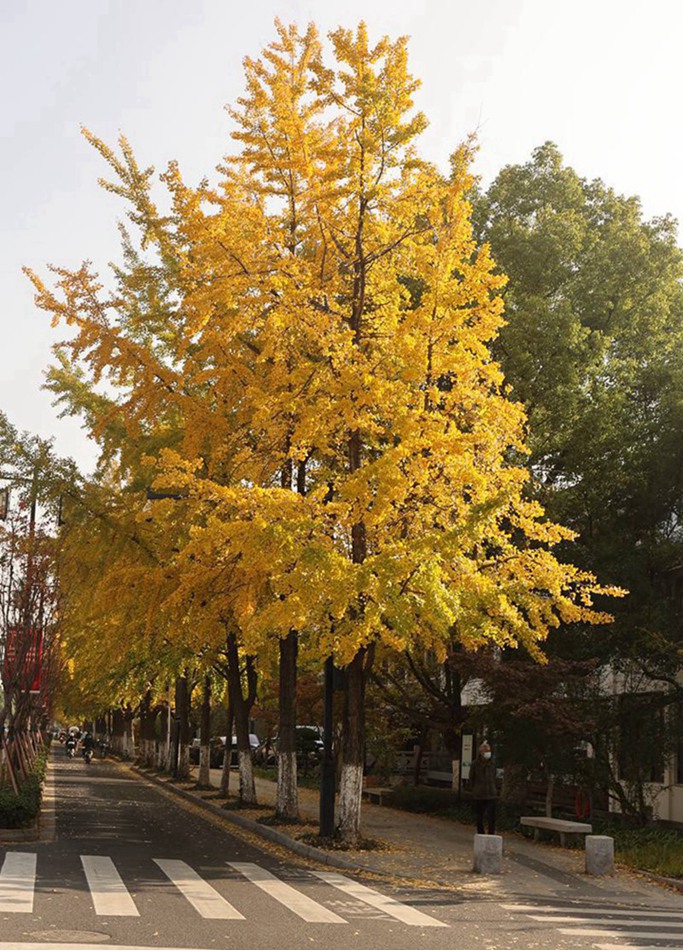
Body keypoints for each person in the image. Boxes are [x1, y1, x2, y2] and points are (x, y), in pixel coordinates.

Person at [469, 740, 497, 835]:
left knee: (491, 817)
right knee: (479, 816)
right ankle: (480, 833)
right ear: (481, 752)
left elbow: (494, 776)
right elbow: (471, 778)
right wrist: (474, 790)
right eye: (486, 751)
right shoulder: (475, 764)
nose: (488, 753)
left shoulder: (492, 763)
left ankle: (491, 834)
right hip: (479, 794)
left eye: (489, 751)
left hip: (491, 793)